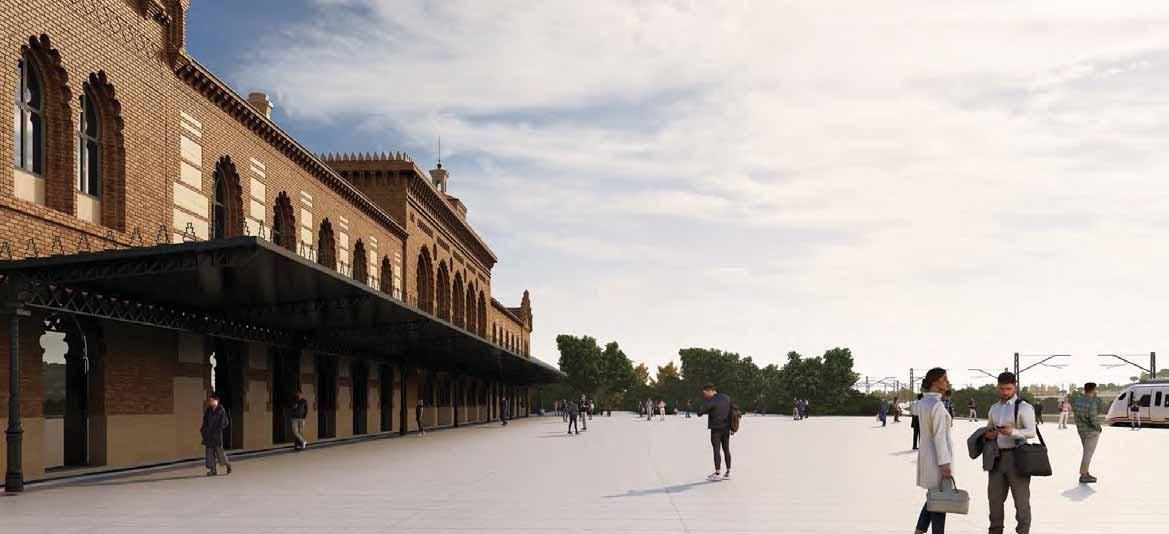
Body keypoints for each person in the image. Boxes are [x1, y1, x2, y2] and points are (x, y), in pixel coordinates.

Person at [984, 372, 1036, 534]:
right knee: (994, 501)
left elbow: (1031, 432)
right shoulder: (994, 408)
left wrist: (1012, 432)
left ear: (1015, 387)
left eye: (1008, 388)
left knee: (1021, 502)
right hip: (996, 459)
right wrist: (989, 434)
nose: (1005, 392)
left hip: (1017, 458)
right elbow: (988, 429)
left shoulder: (1024, 407)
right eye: (1002, 389)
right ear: (997, 387)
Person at [914, 368, 954, 534]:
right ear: (935, 381)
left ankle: (918, 531)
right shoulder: (937, 405)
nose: (947, 381)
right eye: (944, 378)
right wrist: (944, 464)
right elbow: (939, 437)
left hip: (927, 456)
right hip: (938, 459)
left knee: (933, 498)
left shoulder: (923, 402)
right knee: (940, 501)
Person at [697, 384, 734, 481]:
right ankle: (728, 472)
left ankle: (717, 473)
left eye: (705, 393)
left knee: (716, 450)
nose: (705, 395)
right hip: (726, 428)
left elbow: (700, 412)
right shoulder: (727, 397)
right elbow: (733, 409)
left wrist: (702, 407)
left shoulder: (712, 399)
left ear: (710, 391)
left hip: (716, 429)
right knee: (726, 449)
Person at [1072, 383, 1102, 484]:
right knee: (1088, 454)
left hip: (1081, 430)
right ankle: (1084, 475)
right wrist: (1098, 428)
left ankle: (1086, 472)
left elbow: (1076, 415)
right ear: (1093, 390)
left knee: (1086, 452)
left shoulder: (1078, 401)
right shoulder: (1092, 402)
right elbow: (1093, 418)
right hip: (1091, 432)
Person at [200, 394, 232, 476]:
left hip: (217, 435)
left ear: (216, 401)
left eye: (212, 400)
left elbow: (225, 422)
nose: (210, 402)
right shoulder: (208, 410)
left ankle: (227, 464)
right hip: (208, 435)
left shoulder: (221, 410)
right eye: (210, 400)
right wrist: (203, 430)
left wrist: (219, 429)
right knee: (209, 454)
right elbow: (205, 421)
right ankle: (213, 470)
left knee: (220, 452)